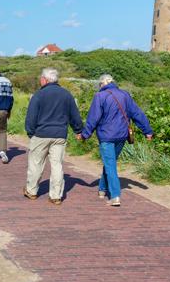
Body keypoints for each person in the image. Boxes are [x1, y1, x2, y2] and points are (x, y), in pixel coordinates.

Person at [79, 74, 153, 207]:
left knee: (110, 165)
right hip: (122, 136)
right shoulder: (125, 94)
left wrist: (85, 134)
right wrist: (147, 131)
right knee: (110, 163)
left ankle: (115, 196)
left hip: (106, 136)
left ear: (101, 84)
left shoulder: (99, 96)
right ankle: (102, 189)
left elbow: (93, 118)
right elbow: (137, 113)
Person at [23, 68, 84, 205]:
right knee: (57, 165)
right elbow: (75, 115)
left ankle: (31, 191)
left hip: (41, 134)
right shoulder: (66, 95)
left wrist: (30, 132)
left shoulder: (39, 95)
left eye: (41, 78)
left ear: (45, 79)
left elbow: (31, 116)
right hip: (60, 134)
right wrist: (78, 130)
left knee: (36, 164)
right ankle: (56, 195)